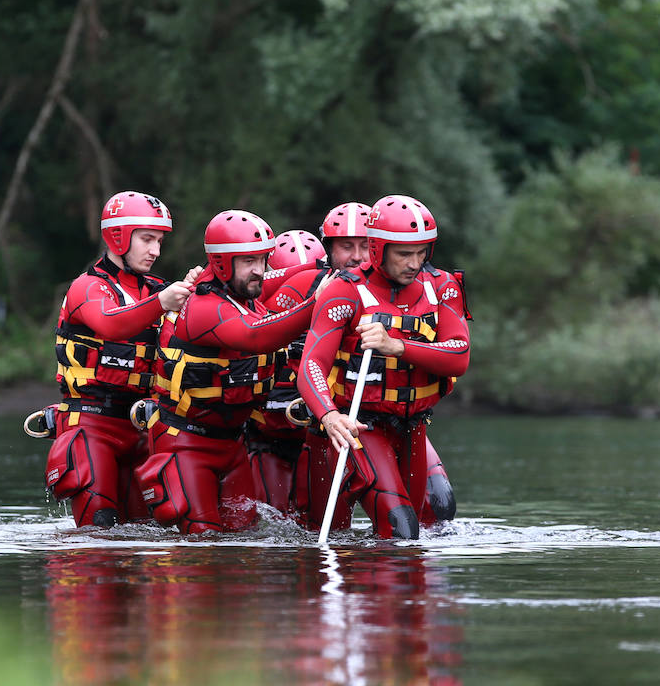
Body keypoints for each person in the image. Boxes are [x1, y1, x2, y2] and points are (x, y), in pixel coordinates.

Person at [296, 195, 471, 540]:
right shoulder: (343, 291)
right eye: (404, 254)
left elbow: (459, 354)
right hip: (362, 426)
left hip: (414, 425)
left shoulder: (443, 286)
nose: (415, 263)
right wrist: (330, 417)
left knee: (428, 521)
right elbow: (311, 365)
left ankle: (401, 594)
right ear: (378, 249)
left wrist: (397, 346)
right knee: (400, 525)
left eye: (422, 252)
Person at [138, 210, 317, 533]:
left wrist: (327, 269)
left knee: (244, 547)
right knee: (203, 544)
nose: (259, 271)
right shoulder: (204, 307)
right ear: (221, 263)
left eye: (263, 260)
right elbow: (256, 336)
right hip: (186, 444)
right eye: (250, 262)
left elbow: (283, 276)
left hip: (232, 446)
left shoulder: (242, 292)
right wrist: (319, 300)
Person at [45, 191, 203, 528]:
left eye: (160, 241)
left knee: (147, 532)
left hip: (145, 429)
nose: (156, 251)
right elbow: (111, 324)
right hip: (92, 426)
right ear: (118, 237)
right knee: (100, 530)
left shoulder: (160, 290)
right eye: (147, 239)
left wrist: (201, 291)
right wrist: (163, 302)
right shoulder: (86, 288)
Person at [246, 230, 327, 516]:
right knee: (274, 515)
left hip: (317, 436)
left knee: (313, 520)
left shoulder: (342, 313)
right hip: (266, 437)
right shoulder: (248, 311)